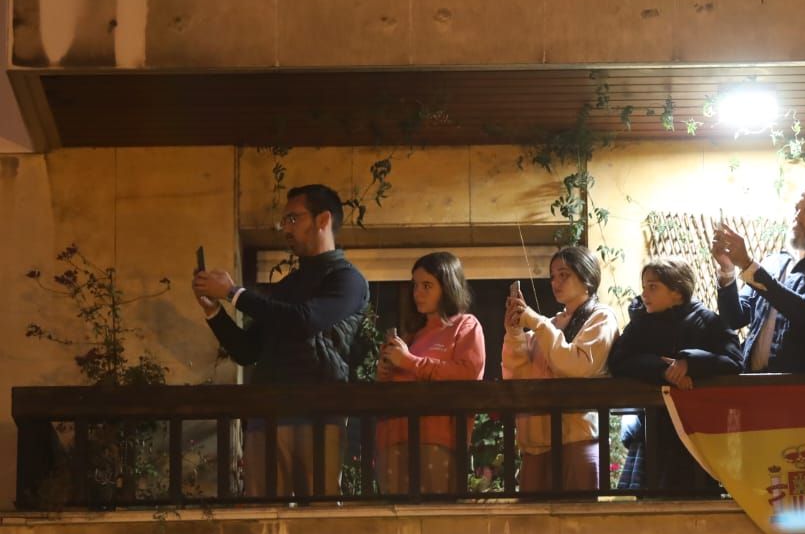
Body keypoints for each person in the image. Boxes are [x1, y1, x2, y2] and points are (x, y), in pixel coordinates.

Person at [192, 184, 369, 498]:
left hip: (317, 411)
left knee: (318, 513)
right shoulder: (287, 286)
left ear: (323, 219)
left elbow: (304, 320)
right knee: (262, 514)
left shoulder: (347, 279)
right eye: (284, 221)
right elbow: (248, 351)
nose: (285, 228)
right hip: (268, 411)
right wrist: (214, 311)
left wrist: (235, 294)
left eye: (292, 219)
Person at [609, 259, 742, 490]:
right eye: (644, 287)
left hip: (698, 432)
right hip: (653, 431)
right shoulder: (641, 324)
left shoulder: (708, 321)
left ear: (677, 292)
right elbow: (619, 360)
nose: (644, 294)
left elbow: (734, 361)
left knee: (696, 499)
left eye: (653, 287)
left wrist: (690, 362)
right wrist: (663, 370)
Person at [713, 177, 805, 373]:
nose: (797, 217)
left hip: (800, 392)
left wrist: (748, 265)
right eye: (796, 208)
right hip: (751, 384)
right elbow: (734, 319)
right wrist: (727, 270)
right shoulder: (773, 262)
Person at [503, 246, 619, 492]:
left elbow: (576, 366)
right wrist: (514, 333)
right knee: (531, 525)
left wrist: (536, 321)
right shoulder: (551, 324)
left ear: (586, 277)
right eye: (553, 276)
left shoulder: (601, 317)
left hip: (577, 438)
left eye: (564, 274)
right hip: (537, 441)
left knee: (578, 523)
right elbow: (518, 374)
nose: (556, 282)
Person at [375, 252, 486, 496]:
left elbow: (468, 373)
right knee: (394, 528)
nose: (418, 293)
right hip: (393, 437)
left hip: (436, 439)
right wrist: (386, 372)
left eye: (427, 285)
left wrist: (410, 361)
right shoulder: (413, 334)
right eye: (415, 285)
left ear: (448, 287)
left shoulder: (465, 325)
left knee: (436, 522)